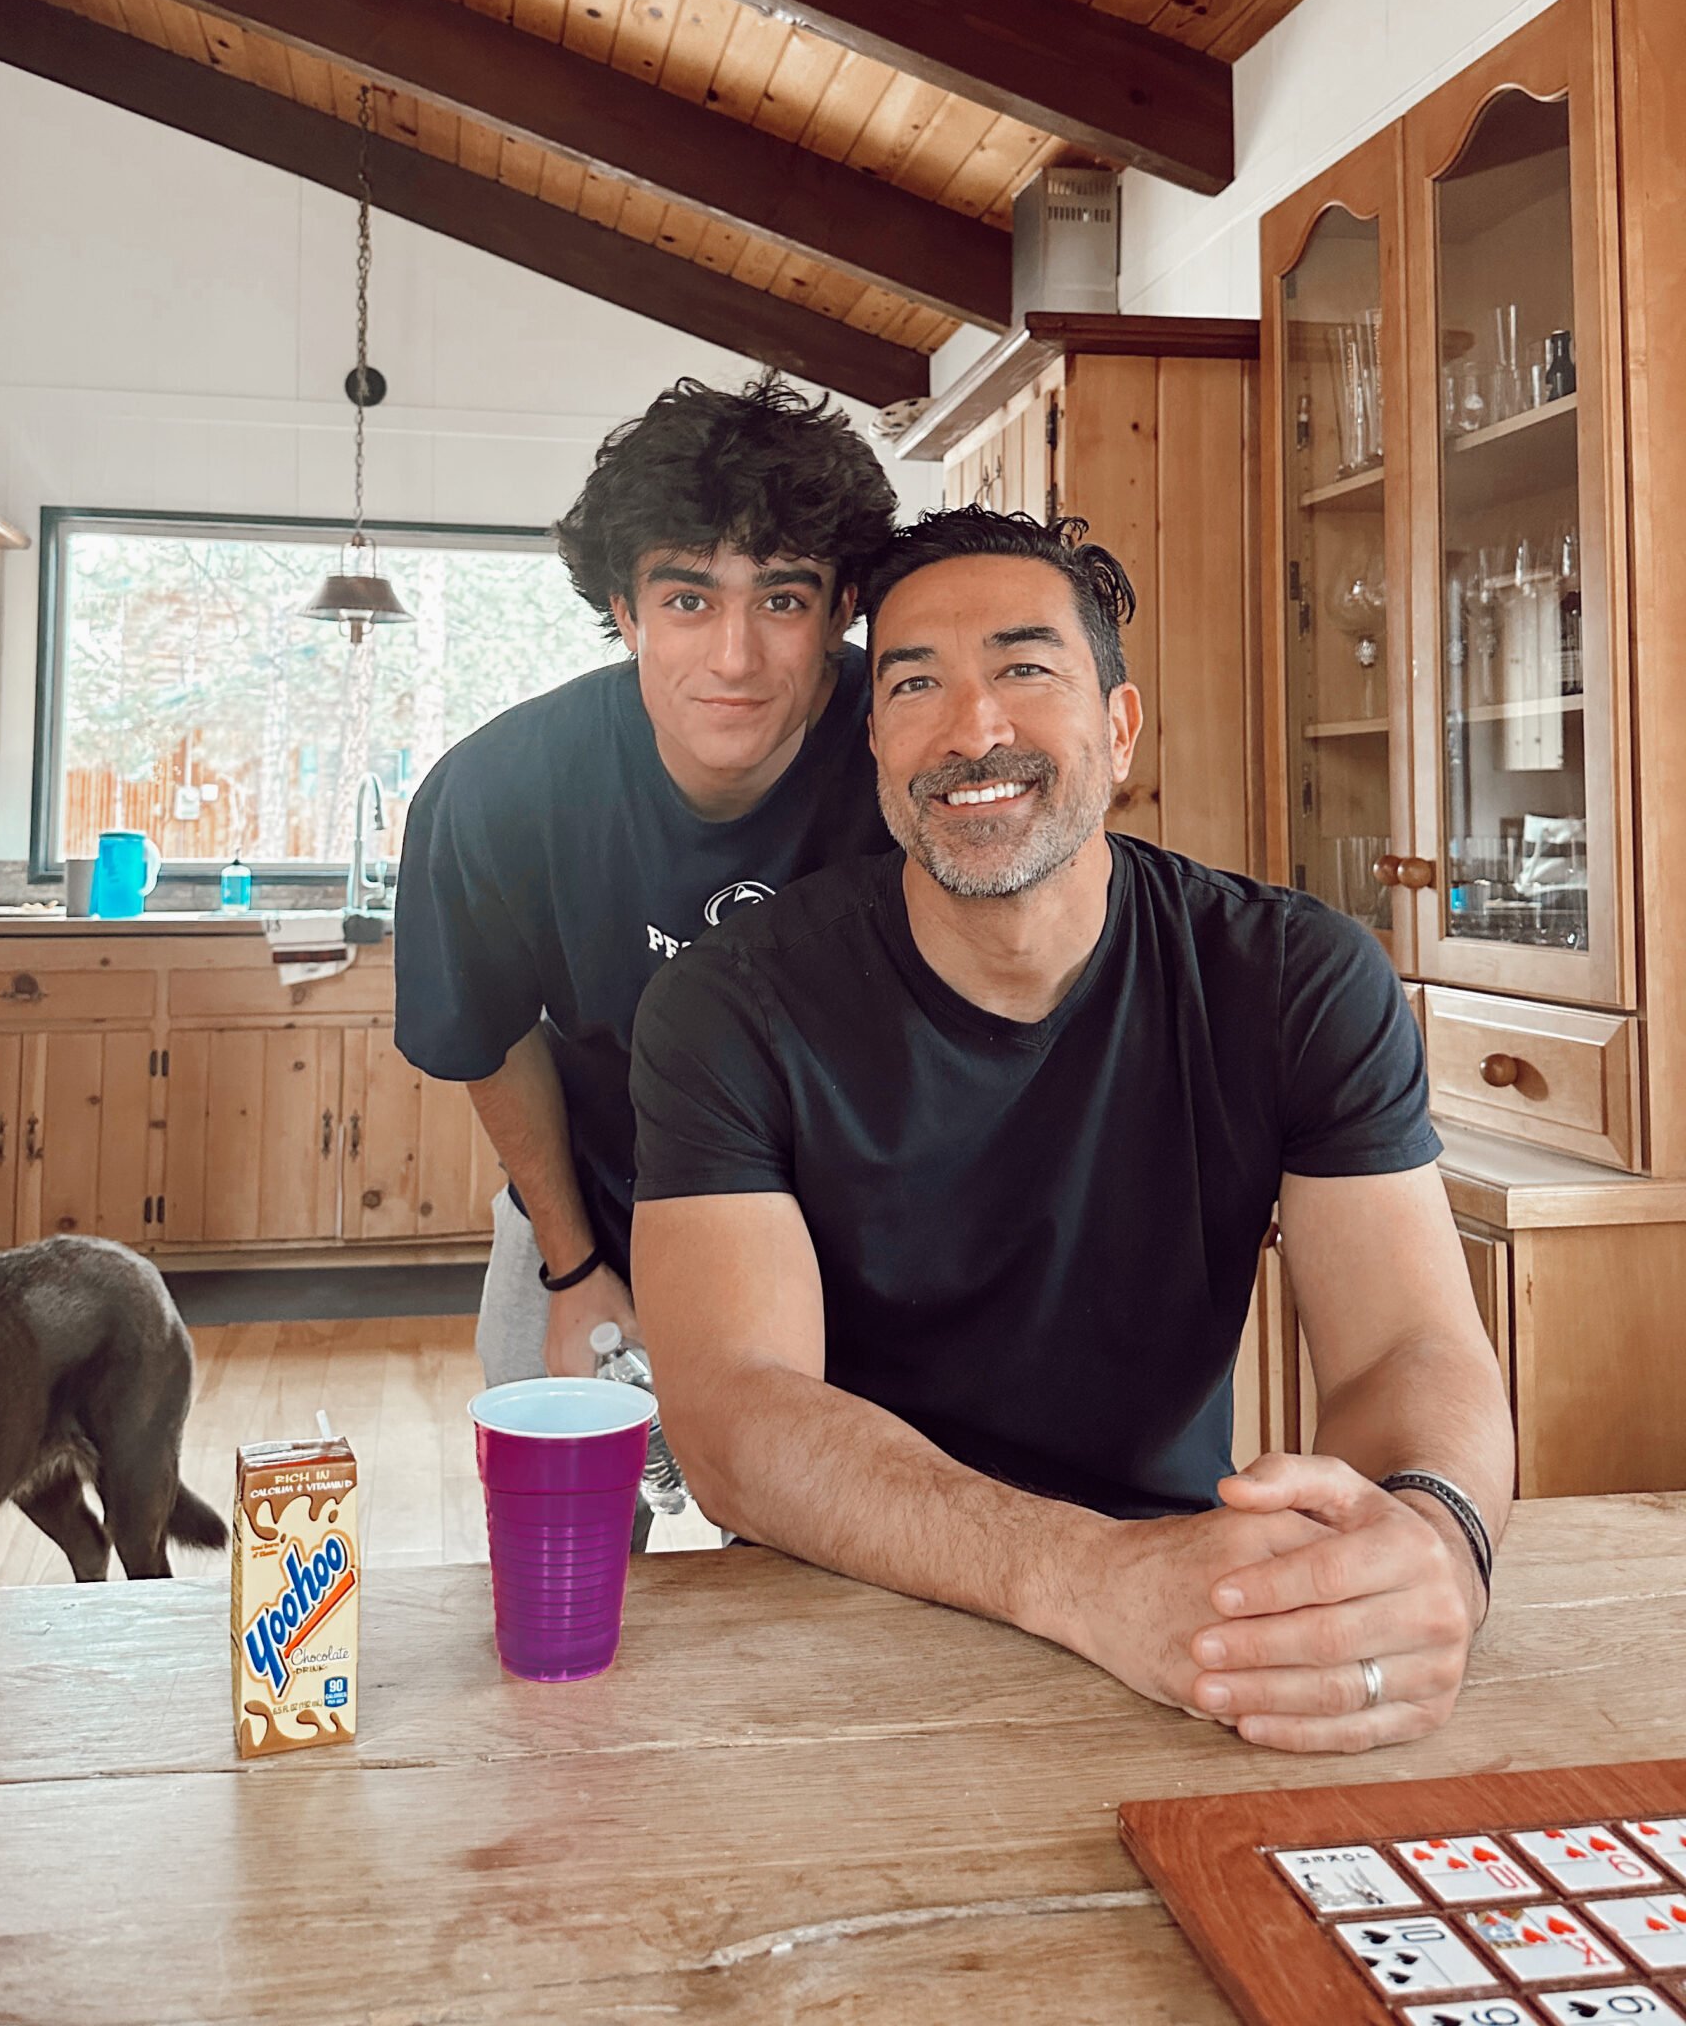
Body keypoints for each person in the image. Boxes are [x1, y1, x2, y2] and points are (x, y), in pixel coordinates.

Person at [629, 507, 1513, 1755]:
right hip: (841, 1601)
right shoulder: (728, 1003)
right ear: (875, 737)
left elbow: (1411, 1346)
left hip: (1189, 1601)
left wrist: (1426, 1544)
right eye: (916, 682)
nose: (971, 726)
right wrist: (1091, 1578)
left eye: (1026, 669)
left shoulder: (1291, 975)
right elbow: (732, 1410)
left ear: (1120, 723)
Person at [393, 373, 897, 1401]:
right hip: (587, 1206)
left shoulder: (910, 772)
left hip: (858, 1227)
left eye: (784, 598)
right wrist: (574, 1270)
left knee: (832, 1540)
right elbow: (490, 1036)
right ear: (625, 612)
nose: (734, 654)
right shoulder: (498, 794)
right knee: (557, 1535)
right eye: (687, 598)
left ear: (845, 608)